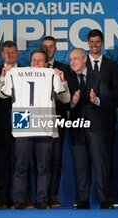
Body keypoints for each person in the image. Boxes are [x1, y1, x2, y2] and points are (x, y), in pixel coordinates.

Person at [0, 49, 70, 210]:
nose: (36, 63)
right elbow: (3, 93)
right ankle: (19, 200)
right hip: (23, 122)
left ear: (47, 64)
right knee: (21, 166)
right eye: (34, 60)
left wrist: (62, 80)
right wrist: (5, 76)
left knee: (43, 167)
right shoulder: (16, 73)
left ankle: (42, 200)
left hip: (43, 122)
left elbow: (65, 98)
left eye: (40, 61)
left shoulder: (52, 74)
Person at [67, 48, 114, 209]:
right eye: (70, 59)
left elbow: (109, 101)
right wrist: (72, 102)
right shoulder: (67, 78)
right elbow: (62, 103)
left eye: (76, 58)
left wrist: (97, 100)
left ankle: (104, 199)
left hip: (96, 127)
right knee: (80, 165)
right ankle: (83, 200)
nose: (72, 61)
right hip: (77, 128)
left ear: (84, 59)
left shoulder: (99, 76)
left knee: (100, 164)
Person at [85, 29, 118, 205]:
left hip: (105, 121)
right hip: (83, 122)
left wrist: (99, 100)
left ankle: (106, 196)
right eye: (91, 41)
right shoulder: (81, 63)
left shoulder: (111, 65)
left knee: (106, 159)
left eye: (97, 41)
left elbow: (117, 94)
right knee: (84, 162)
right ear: (87, 43)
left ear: (102, 42)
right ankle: (84, 199)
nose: (94, 45)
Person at [41, 36, 71, 207]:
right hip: (37, 121)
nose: (47, 50)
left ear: (55, 49)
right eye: (44, 47)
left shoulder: (64, 68)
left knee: (56, 159)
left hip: (58, 120)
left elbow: (67, 96)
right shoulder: (33, 68)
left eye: (51, 47)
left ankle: (52, 194)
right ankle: (39, 195)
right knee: (39, 160)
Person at [0, 40, 20, 209]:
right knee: (2, 162)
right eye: (6, 52)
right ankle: (2, 198)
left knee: (21, 162)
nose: (10, 55)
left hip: (23, 120)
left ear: (17, 53)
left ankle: (21, 198)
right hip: (2, 123)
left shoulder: (26, 72)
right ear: (1, 54)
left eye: (13, 52)